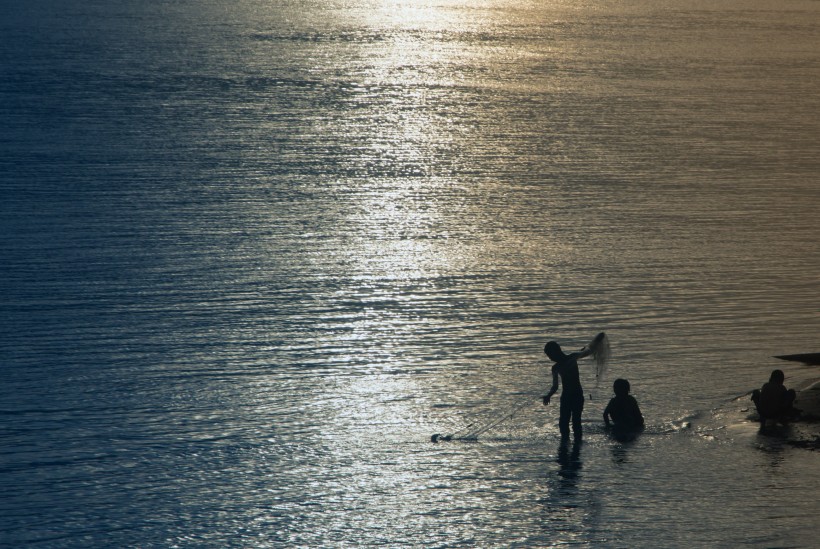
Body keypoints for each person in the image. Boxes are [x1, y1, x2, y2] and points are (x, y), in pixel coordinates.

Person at [542, 338, 598, 440]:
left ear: (557, 351)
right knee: (563, 423)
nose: (550, 358)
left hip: (577, 395)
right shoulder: (556, 367)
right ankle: (565, 441)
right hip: (566, 396)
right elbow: (555, 386)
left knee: (576, 422)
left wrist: (594, 344)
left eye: (550, 355)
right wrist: (548, 395)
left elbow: (586, 352)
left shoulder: (572, 358)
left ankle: (577, 443)